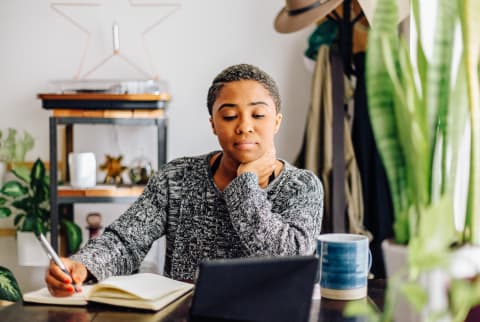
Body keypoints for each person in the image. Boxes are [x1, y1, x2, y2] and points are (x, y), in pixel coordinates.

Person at [45, 63, 324, 297]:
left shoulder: (302, 186)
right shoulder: (177, 177)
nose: (244, 126)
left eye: (258, 114)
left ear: (276, 121)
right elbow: (127, 240)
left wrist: (245, 183)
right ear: (213, 123)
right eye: (229, 115)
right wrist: (83, 265)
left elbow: (287, 260)